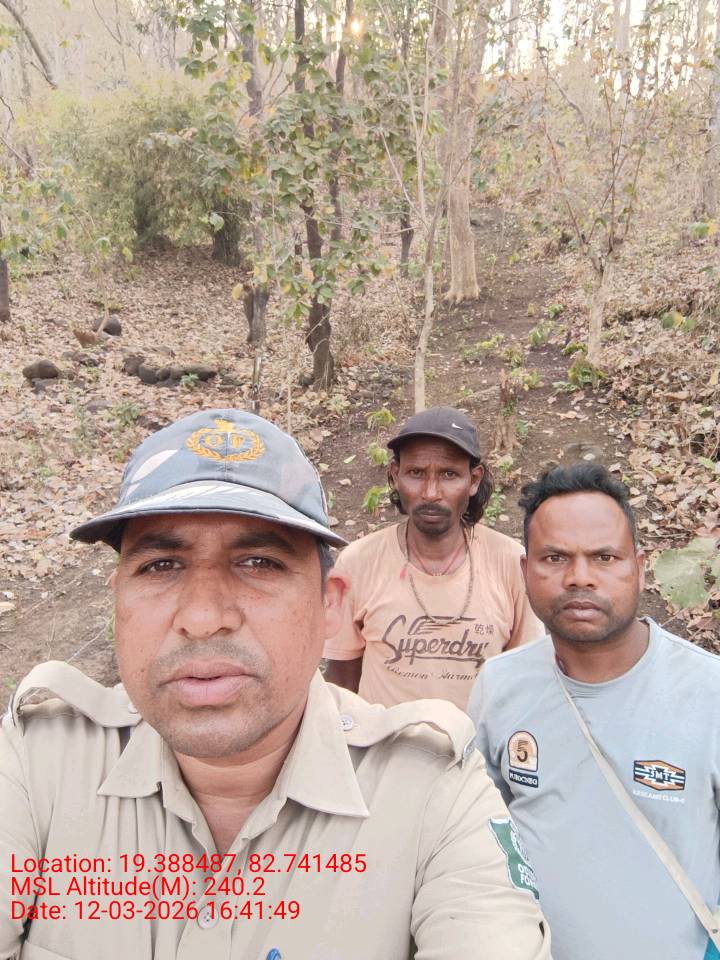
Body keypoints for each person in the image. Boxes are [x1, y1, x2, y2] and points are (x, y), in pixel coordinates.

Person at [0, 409, 551, 959]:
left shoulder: (434, 792)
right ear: (118, 599)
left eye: (259, 562)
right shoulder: (37, 761)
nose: (203, 617)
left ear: (329, 605)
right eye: (162, 565)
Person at [468, 462, 720, 960]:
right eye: (555, 557)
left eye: (604, 557)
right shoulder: (499, 685)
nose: (579, 578)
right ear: (525, 570)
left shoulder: (708, 692)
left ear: (639, 567)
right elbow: (484, 832)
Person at [324, 406, 541, 709]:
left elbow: (525, 679)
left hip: (478, 741)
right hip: (384, 740)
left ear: (474, 480)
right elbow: (342, 682)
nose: (430, 492)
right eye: (416, 473)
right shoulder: (359, 562)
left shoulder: (510, 563)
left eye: (449, 474)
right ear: (395, 474)